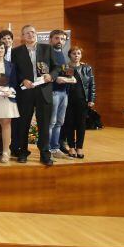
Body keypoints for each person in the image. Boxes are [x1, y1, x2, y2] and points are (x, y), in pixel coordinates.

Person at [10, 25, 60, 165]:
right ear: (23, 36)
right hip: (25, 93)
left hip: (44, 91)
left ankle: (45, 154)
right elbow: (13, 71)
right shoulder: (16, 52)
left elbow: (57, 67)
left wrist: (51, 75)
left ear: (36, 34)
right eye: (27, 33)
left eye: (32, 32)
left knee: (44, 125)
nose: (30, 35)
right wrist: (22, 80)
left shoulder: (47, 48)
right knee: (23, 124)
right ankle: (23, 152)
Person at [62, 46, 95, 159]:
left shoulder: (87, 68)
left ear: (81, 55)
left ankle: (79, 147)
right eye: (74, 53)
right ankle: (71, 146)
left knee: (81, 125)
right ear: (70, 55)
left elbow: (91, 85)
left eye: (78, 53)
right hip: (68, 100)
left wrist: (91, 99)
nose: (76, 55)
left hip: (82, 100)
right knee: (69, 123)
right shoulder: (65, 67)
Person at [47, 30, 74, 159]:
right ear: (50, 39)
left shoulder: (62, 55)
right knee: (51, 123)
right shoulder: (47, 54)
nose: (60, 41)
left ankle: (55, 148)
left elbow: (65, 73)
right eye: (57, 38)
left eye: (63, 39)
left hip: (64, 93)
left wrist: (69, 78)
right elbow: (46, 73)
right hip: (53, 92)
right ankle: (46, 150)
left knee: (59, 122)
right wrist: (55, 78)